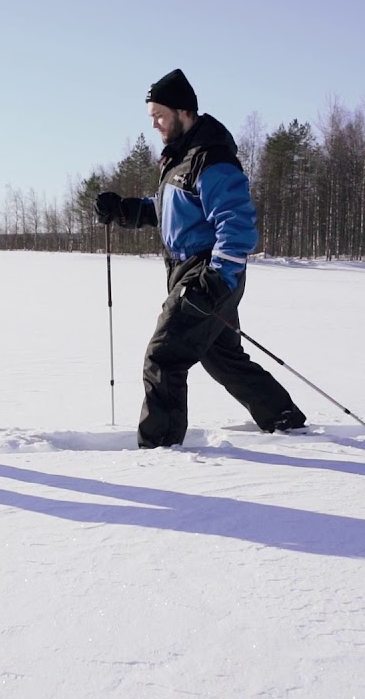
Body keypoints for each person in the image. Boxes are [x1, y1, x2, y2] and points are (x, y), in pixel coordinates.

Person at [96, 68, 308, 449]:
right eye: (152, 117)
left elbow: (236, 224)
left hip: (208, 271)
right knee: (222, 357)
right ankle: (282, 416)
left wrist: (215, 279)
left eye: (160, 115)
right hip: (186, 270)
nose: (156, 124)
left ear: (183, 111)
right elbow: (167, 211)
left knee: (163, 357)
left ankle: (160, 448)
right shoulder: (179, 159)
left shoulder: (212, 158)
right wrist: (124, 211)